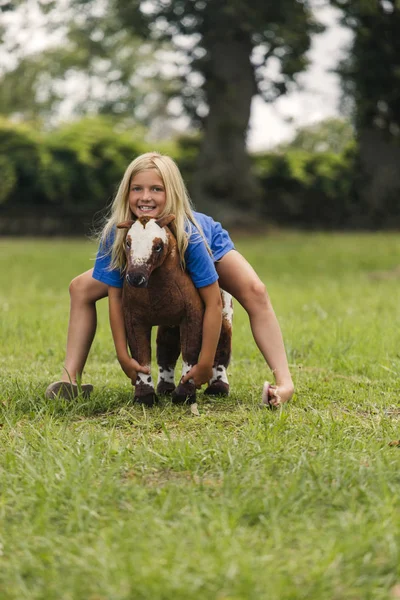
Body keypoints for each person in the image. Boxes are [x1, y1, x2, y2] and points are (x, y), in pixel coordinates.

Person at [45, 152, 294, 407]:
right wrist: (122, 354)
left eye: (156, 189)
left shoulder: (192, 234)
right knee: (80, 288)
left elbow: (213, 303)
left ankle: (285, 383)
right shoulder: (117, 233)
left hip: (201, 247)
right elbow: (116, 296)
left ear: (172, 192)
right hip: (142, 258)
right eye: (137, 188)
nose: (145, 196)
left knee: (255, 290)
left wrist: (205, 362)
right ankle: (70, 381)